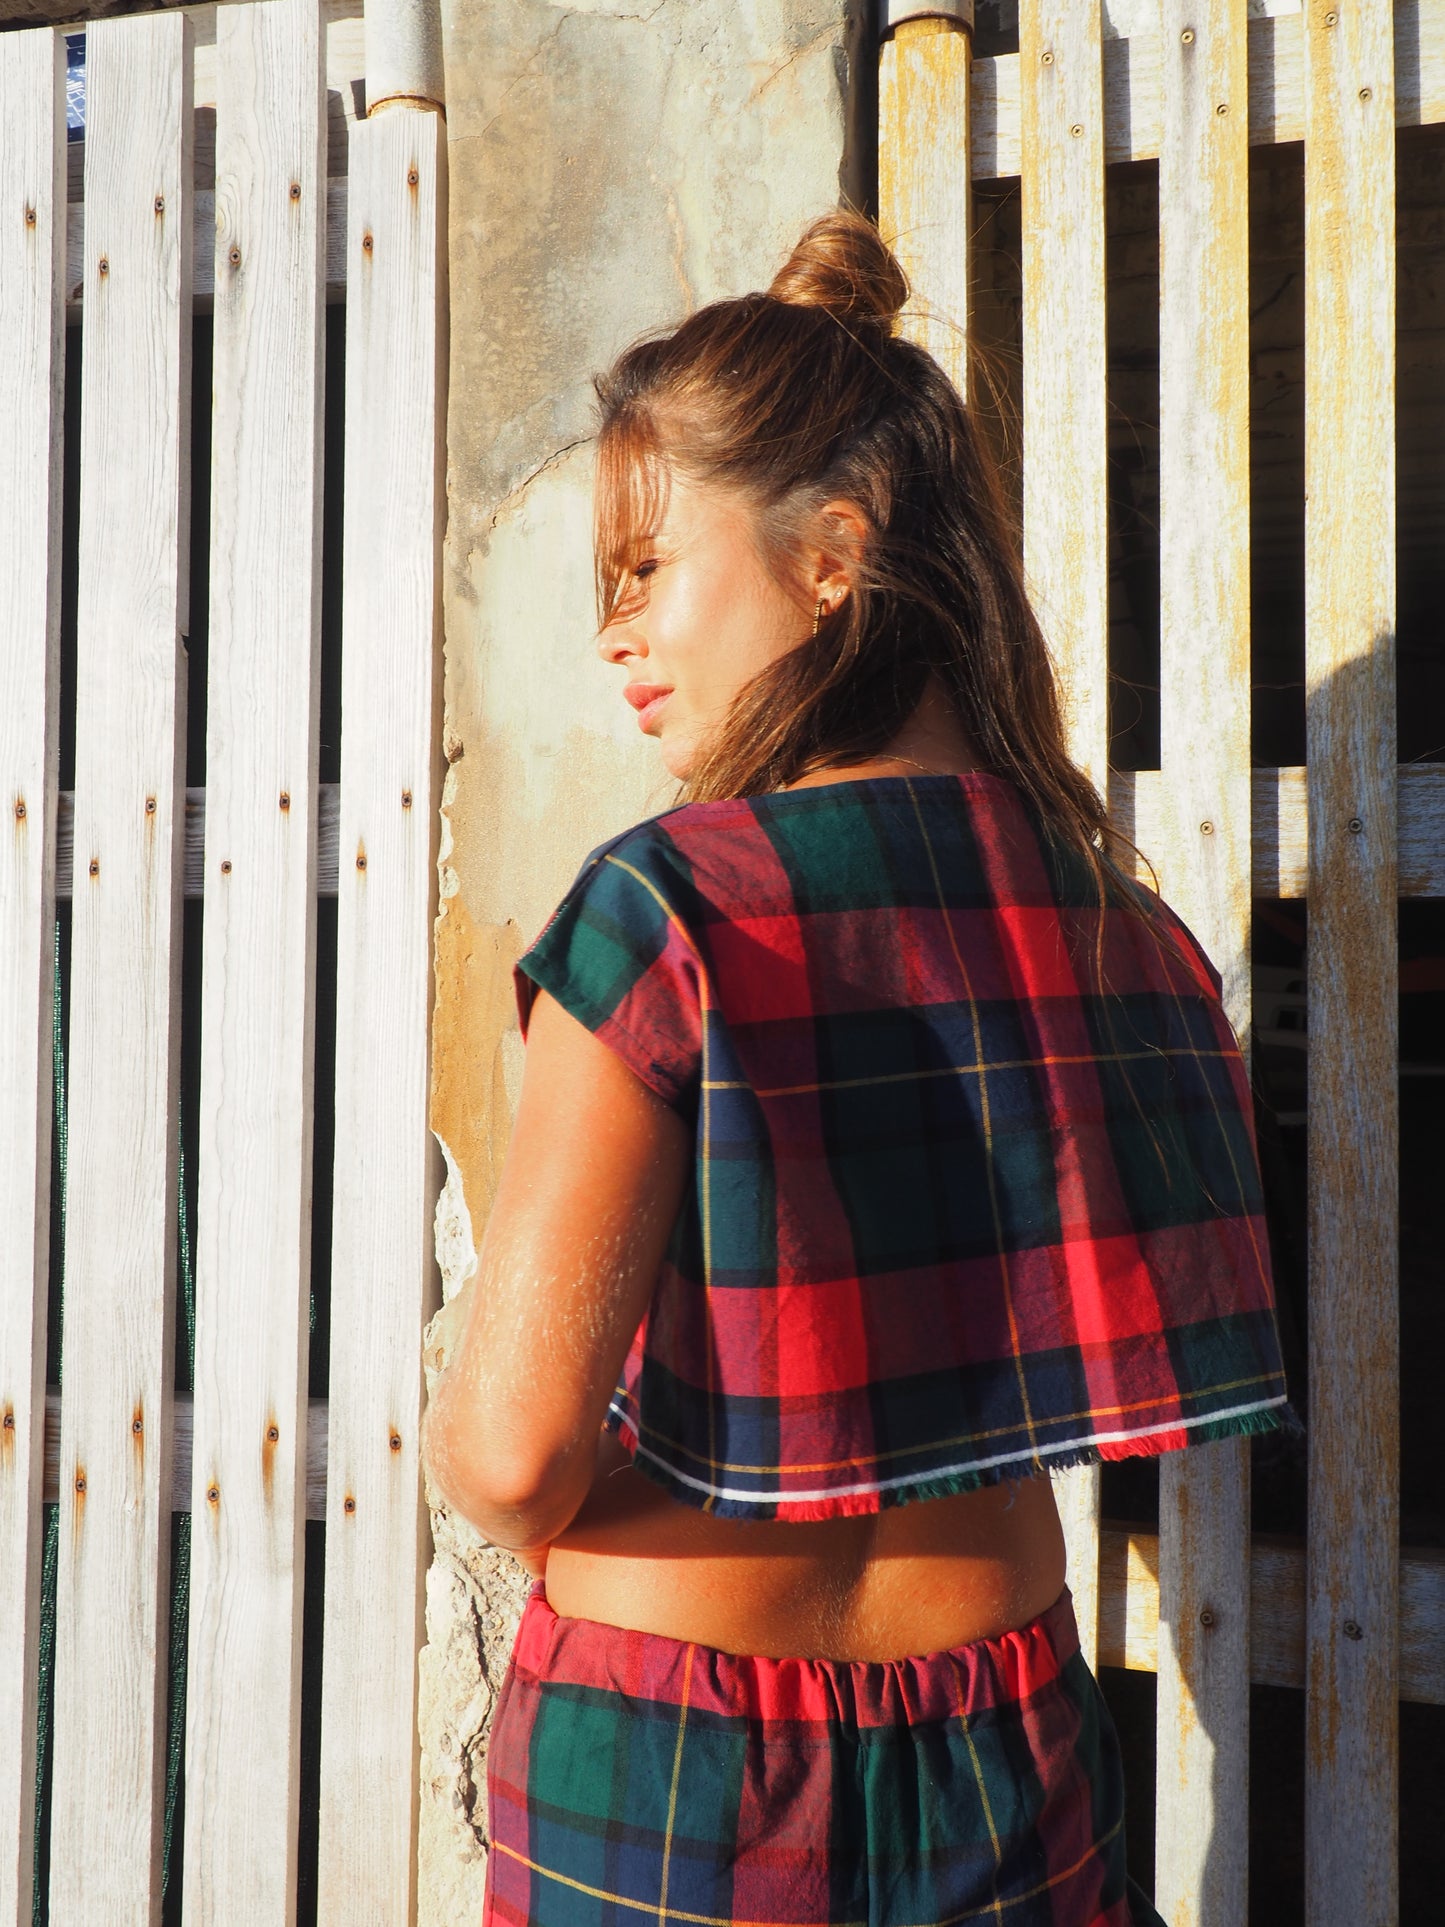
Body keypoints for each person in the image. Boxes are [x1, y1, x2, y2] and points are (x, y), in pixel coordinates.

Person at [422, 210, 1295, 1927]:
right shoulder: (1119, 929)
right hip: (1008, 1729)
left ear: (835, 555)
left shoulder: (663, 913)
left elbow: (512, 1457)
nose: (614, 632)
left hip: (673, 1754)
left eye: (645, 570)